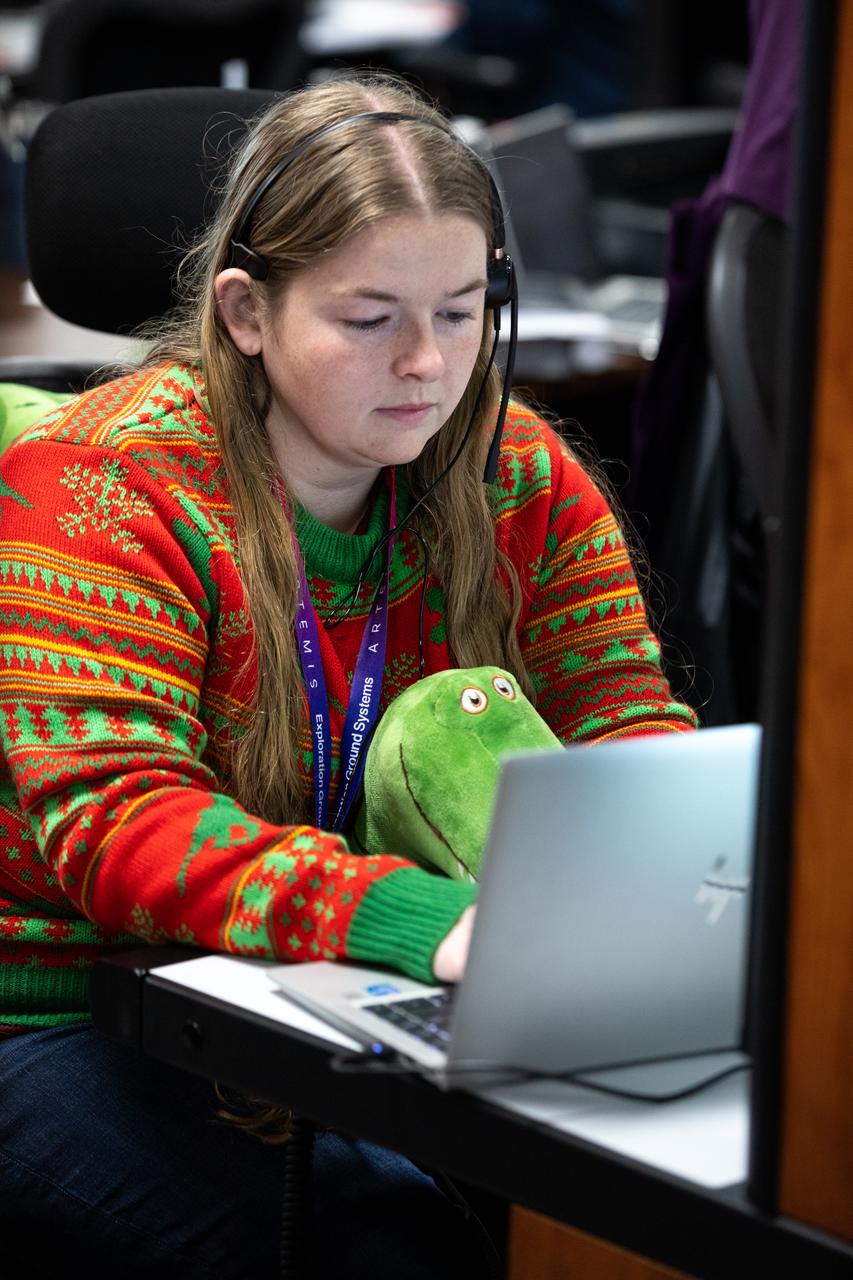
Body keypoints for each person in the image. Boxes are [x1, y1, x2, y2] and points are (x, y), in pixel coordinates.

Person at [0, 72, 696, 1277]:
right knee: (389, 1244)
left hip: (328, 984)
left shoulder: (515, 473)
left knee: (630, 1202)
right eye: (369, 319)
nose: (427, 363)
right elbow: (119, 823)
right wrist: (432, 922)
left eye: (462, 312)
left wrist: (671, 880)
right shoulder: (101, 485)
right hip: (70, 1001)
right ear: (246, 313)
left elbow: (621, 718)